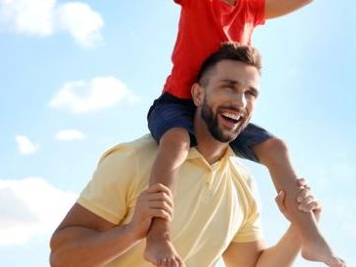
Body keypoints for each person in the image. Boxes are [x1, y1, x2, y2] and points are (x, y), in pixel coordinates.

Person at [107, 0, 348, 267]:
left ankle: (312, 237)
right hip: (177, 106)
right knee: (177, 144)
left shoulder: (252, 10)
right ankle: (158, 235)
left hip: (223, 116)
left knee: (277, 148)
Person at [50, 42, 323, 267]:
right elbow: (62, 257)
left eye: (250, 93)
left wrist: (300, 228)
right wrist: (131, 232)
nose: (240, 102)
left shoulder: (244, 184)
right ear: (197, 94)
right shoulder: (136, 159)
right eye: (228, 86)